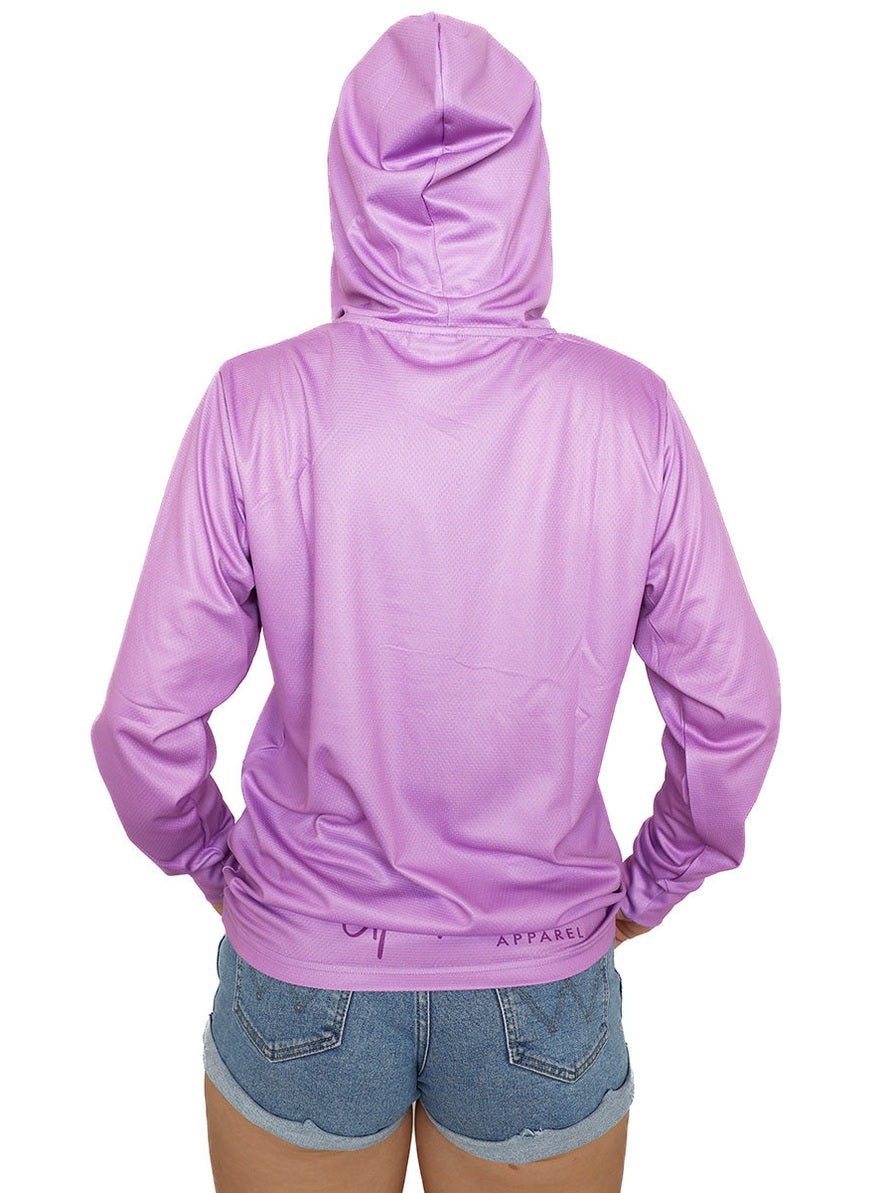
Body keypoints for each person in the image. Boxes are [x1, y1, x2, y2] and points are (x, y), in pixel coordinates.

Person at [91, 11, 781, 1193]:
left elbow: (143, 722)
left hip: (303, 968)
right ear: (530, 186)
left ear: (348, 181)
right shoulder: (631, 415)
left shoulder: (258, 404)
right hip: (541, 977)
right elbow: (736, 711)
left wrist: (219, 866)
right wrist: (652, 885)